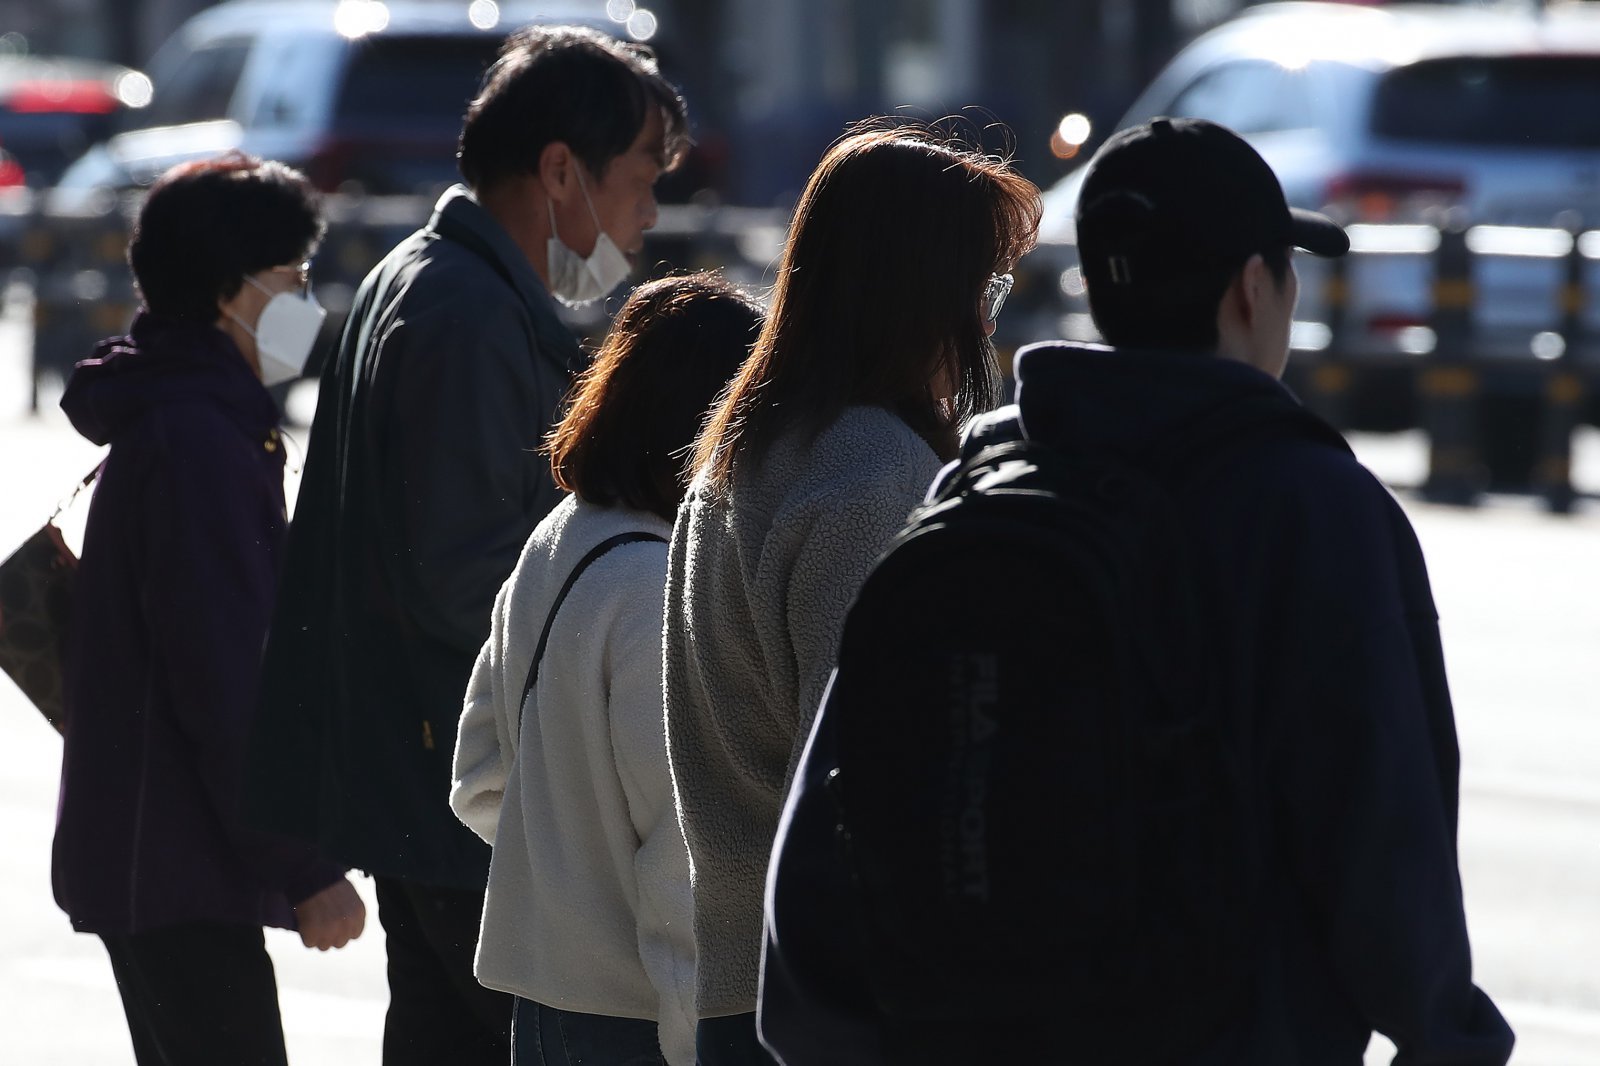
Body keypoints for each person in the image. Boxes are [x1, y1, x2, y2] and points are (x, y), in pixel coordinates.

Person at [761, 117, 1515, 1065]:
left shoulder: (977, 491)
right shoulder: (1310, 506)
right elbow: (1383, 841)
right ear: (1252, 289)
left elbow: (831, 837)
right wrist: (1447, 1039)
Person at [243, 25, 688, 1065]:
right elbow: (463, 575)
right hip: (459, 792)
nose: (649, 211)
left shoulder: (428, 279)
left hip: (420, 781)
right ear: (560, 170)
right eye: (639, 178)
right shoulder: (464, 312)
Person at [662, 120, 1040, 1065]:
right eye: (982, 289)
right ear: (922, 296)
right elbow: (876, 787)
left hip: (743, 979)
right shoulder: (877, 479)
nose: (988, 322)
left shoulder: (744, 450)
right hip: (837, 1000)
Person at [53, 154, 365, 1066]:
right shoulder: (198, 438)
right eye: (294, 278)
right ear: (233, 290)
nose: (308, 299)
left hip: (164, 851)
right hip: (174, 856)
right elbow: (225, 676)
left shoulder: (192, 413)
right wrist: (305, 869)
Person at [450, 272, 762, 1066]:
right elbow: (679, 857)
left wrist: (566, 872)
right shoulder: (662, 586)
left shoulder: (558, 537)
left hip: (542, 1003)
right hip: (648, 1019)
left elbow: (481, 777)